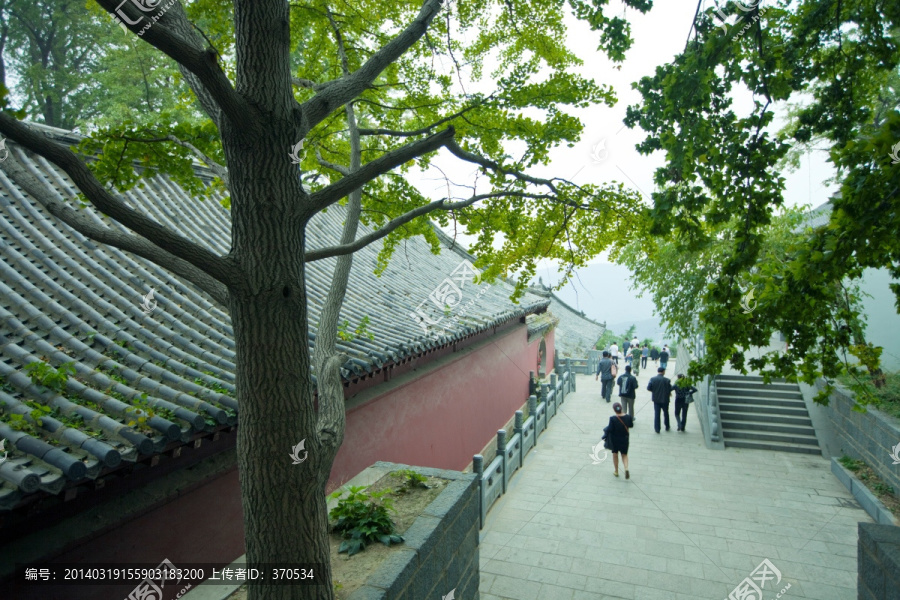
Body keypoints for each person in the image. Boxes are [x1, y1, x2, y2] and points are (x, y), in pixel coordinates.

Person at [607, 402, 633, 478]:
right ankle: (626, 468)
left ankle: (616, 471)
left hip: (615, 440)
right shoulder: (628, 417)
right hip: (625, 439)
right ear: (621, 408)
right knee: (624, 454)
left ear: (614, 410)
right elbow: (631, 425)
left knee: (615, 454)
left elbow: (610, 429)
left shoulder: (612, 418)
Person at [647, 367, 673, 433]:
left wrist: (654, 391)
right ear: (663, 371)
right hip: (665, 400)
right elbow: (670, 388)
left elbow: (648, 388)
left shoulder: (652, 379)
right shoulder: (667, 380)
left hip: (656, 399)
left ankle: (657, 429)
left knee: (657, 414)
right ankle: (667, 426)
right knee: (666, 413)